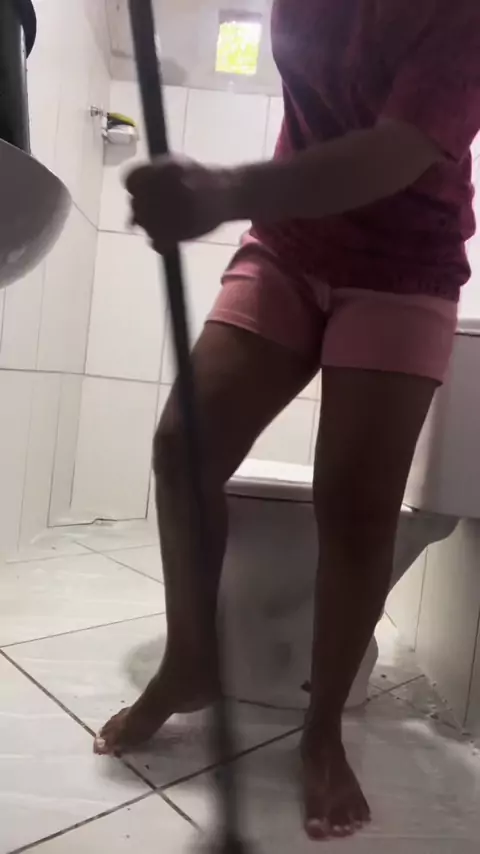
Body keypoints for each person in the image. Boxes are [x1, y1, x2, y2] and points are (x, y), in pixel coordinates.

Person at [94, 0, 480, 841]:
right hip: (291, 246)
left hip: (406, 268)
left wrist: (225, 190)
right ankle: (189, 662)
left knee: (356, 505)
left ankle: (322, 727)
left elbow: (396, 151)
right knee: (184, 446)